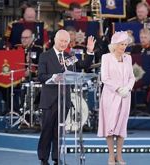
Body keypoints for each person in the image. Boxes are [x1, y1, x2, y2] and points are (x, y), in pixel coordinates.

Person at [37, 29, 96, 165]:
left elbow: (84, 65)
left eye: (66, 41)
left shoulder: (69, 56)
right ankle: (43, 159)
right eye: (61, 41)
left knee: (59, 131)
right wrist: (53, 77)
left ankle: (57, 158)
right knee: (47, 129)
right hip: (49, 99)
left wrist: (90, 51)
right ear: (55, 40)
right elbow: (40, 76)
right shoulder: (45, 56)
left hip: (64, 100)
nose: (63, 44)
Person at [97, 31, 135, 165]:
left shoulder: (128, 58)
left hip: (125, 96)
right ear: (114, 45)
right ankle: (111, 157)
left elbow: (132, 77)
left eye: (125, 44)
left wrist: (128, 88)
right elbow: (104, 78)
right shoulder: (106, 58)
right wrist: (118, 88)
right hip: (111, 96)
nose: (124, 47)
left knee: (121, 127)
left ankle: (119, 156)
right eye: (121, 44)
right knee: (110, 126)